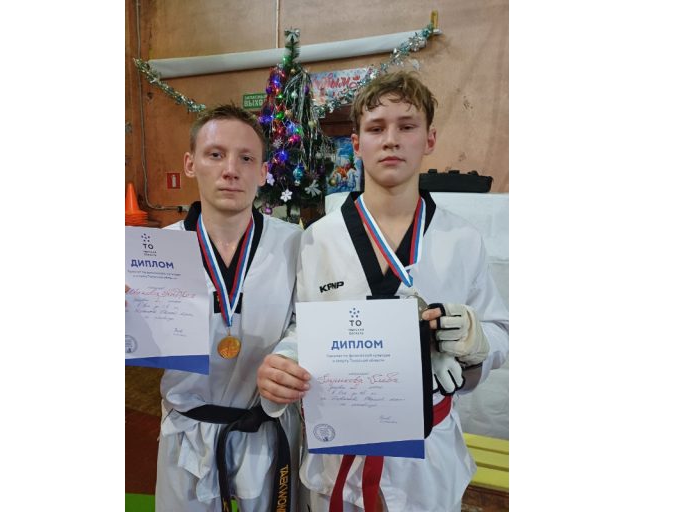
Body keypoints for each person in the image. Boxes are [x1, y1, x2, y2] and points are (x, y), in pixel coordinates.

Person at [256, 71, 509, 512]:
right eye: (376, 128)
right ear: (356, 144)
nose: (391, 140)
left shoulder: (461, 239)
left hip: (427, 455)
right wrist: (284, 362)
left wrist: (477, 340)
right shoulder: (317, 239)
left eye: (406, 126)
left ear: (429, 139)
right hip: (339, 447)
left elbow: (500, 333)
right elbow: (301, 326)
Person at [155, 104, 306, 512]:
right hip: (187, 431)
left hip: (268, 428)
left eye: (246, 158)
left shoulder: (295, 244)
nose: (231, 170)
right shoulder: (156, 252)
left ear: (263, 172)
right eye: (215, 154)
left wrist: (289, 356)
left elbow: (309, 322)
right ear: (191, 163)